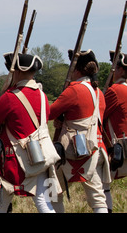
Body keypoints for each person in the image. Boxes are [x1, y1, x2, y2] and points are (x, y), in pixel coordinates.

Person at [0, 53, 61, 213]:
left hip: (15, 161)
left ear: (18, 72)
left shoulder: (9, 97)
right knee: (44, 204)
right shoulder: (42, 95)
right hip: (41, 157)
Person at [49, 49, 110, 213]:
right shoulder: (98, 93)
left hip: (72, 150)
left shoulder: (74, 89)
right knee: (97, 196)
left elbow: (49, 113)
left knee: (53, 191)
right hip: (94, 149)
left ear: (76, 69)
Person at [102, 51, 127, 212]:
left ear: (121, 70)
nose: (113, 71)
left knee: (103, 184)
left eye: (115, 67)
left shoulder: (116, 90)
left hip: (120, 145)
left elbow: (100, 114)